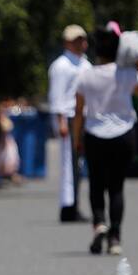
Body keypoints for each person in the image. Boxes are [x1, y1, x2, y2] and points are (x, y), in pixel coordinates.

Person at [73, 27, 138, 255]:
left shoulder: (86, 75)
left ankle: (99, 223)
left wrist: (78, 138)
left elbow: (79, 111)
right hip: (124, 134)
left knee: (96, 182)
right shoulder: (125, 74)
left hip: (95, 135)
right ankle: (115, 237)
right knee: (116, 186)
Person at [48, 25, 92, 222]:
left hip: (84, 117)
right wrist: (61, 122)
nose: (81, 43)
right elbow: (57, 96)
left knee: (78, 164)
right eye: (76, 40)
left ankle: (74, 203)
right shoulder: (62, 65)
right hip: (69, 116)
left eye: (82, 39)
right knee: (69, 163)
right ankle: (67, 206)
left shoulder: (85, 63)